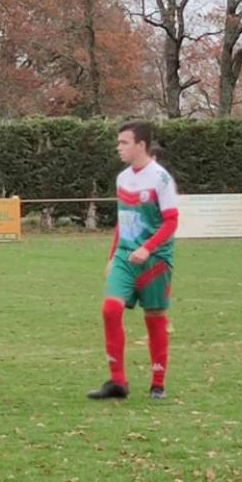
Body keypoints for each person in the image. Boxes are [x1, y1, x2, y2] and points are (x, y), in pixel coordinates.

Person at [89, 121, 178, 400]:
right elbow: (122, 221)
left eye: (124, 143)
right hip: (126, 258)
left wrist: (148, 249)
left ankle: (158, 383)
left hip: (155, 261)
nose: (119, 148)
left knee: (154, 318)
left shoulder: (161, 179)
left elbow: (171, 222)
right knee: (110, 309)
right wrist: (112, 256)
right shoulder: (123, 178)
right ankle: (118, 382)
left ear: (141, 145)